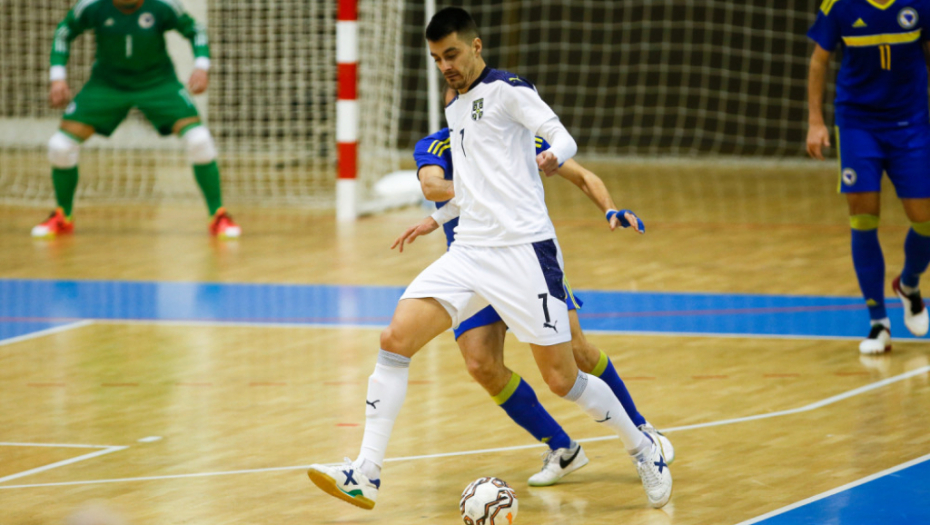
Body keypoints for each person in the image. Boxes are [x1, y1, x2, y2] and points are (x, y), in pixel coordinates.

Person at [307, 7, 672, 510]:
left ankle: (642, 446)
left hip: (524, 253)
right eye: (437, 59)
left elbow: (561, 135)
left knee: (564, 379)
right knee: (394, 340)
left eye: (452, 54)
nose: (446, 66)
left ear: (476, 46)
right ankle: (365, 472)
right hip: (472, 252)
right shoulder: (455, 108)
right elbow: (478, 187)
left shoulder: (509, 90)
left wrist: (551, 156)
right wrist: (435, 220)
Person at [391, 111, 673, 488]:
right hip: (473, 270)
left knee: (576, 353)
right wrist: (479, 187)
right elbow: (432, 185)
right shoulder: (437, 144)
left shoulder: (515, 138)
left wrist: (610, 208)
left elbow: (584, 176)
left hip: (527, 263)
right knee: (480, 364)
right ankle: (563, 448)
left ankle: (642, 430)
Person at [33, 0, 240, 239]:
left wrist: (201, 67)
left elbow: (196, 30)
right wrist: (57, 77)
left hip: (158, 83)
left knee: (200, 141)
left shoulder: (163, 5)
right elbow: (64, 31)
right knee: (60, 146)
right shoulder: (92, 5)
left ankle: (218, 215)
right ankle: (63, 216)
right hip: (107, 85)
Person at [807, 0, 930, 353]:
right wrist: (816, 122)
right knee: (863, 217)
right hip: (859, 124)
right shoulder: (840, 6)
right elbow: (819, 60)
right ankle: (878, 322)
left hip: (911, 124)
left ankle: (908, 284)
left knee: (925, 220)